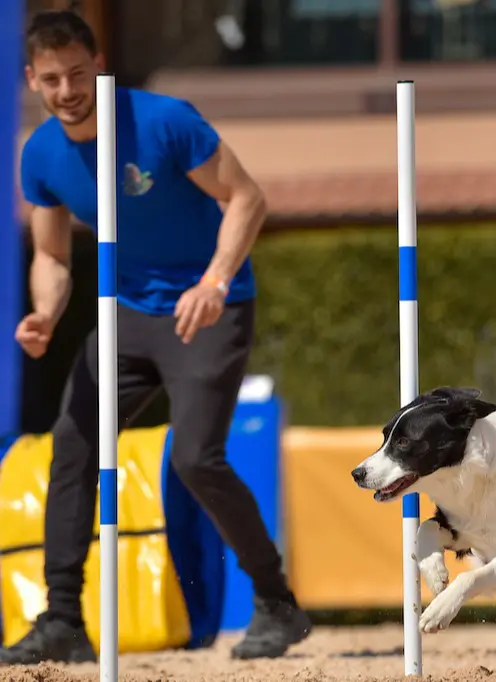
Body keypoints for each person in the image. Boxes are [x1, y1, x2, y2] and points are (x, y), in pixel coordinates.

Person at [2, 8, 312, 665]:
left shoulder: (165, 121)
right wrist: (46, 315)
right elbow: (53, 257)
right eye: (52, 79)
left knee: (198, 457)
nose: (67, 91)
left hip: (208, 307)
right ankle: (62, 618)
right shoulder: (42, 155)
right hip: (126, 315)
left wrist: (216, 280)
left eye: (78, 75)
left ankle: (277, 602)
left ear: (99, 68)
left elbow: (246, 198)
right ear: (32, 79)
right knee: (72, 444)